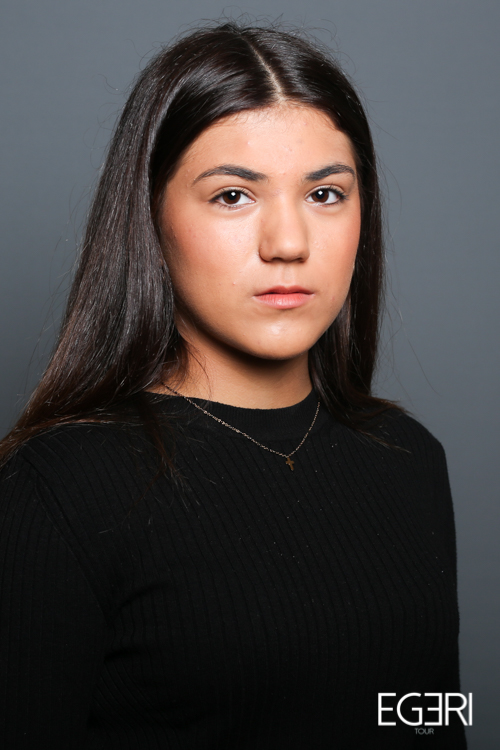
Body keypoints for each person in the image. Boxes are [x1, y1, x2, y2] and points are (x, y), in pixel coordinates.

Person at [0, 21, 466, 749]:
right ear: (151, 217)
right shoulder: (56, 488)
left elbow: (429, 717)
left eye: (325, 194)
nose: (288, 243)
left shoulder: (410, 458)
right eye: (232, 196)